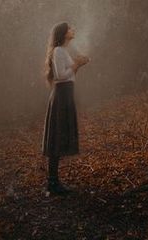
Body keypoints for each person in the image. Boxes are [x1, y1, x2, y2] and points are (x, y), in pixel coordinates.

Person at [42, 22, 89, 195]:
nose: (73, 30)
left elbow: (69, 75)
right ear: (63, 33)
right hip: (61, 97)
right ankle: (52, 183)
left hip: (65, 96)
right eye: (70, 28)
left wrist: (79, 65)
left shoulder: (62, 51)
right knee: (56, 138)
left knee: (57, 137)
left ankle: (53, 182)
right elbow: (61, 76)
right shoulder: (59, 51)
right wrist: (76, 65)